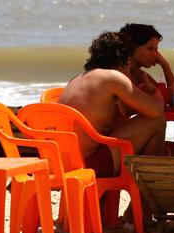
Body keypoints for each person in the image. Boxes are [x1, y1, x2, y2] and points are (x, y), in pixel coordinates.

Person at [59, 31, 166, 177]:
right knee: (158, 121)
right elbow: (156, 111)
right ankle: (145, 192)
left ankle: (135, 193)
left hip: (63, 163)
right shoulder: (113, 78)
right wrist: (154, 92)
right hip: (90, 164)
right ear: (128, 60)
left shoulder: (76, 79)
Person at [118, 23, 174, 157]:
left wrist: (165, 65)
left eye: (157, 50)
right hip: (114, 141)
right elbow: (158, 106)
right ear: (131, 48)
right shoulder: (121, 75)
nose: (155, 55)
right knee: (168, 147)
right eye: (150, 49)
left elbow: (173, 97)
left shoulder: (139, 74)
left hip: (126, 136)